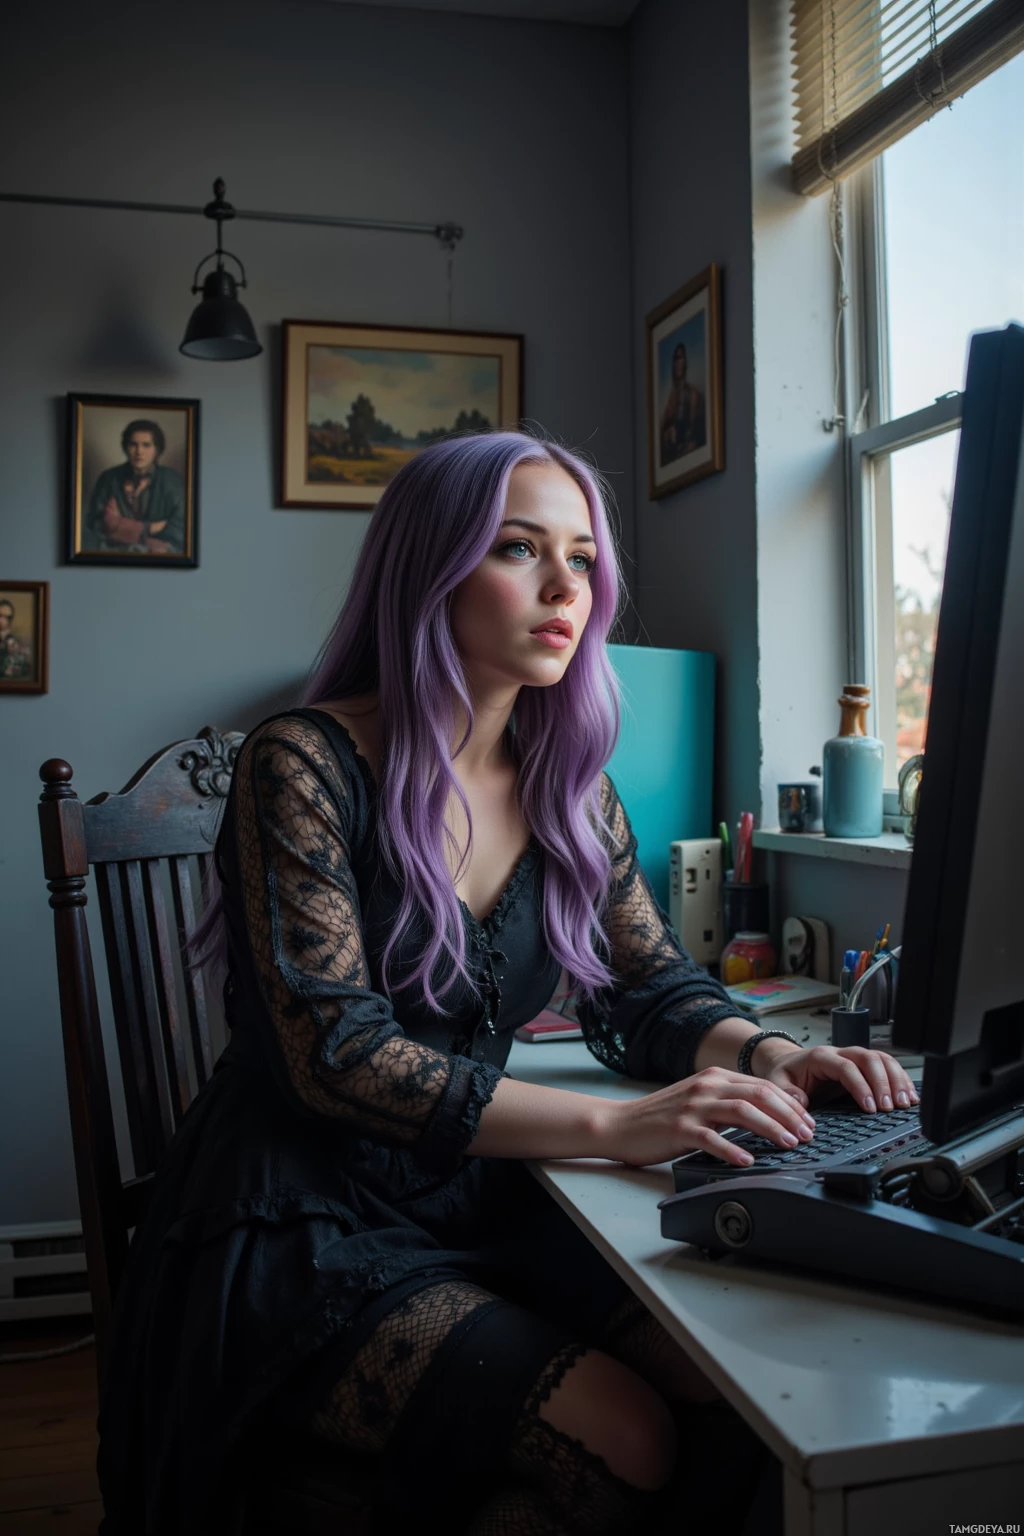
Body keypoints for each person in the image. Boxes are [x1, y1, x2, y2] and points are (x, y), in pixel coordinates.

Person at [96, 431, 918, 1536]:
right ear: (427, 567)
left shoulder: (571, 788)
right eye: (518, 548)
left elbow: (650, 992)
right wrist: (612, 1128)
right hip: (301, 1214)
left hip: (477, 1195)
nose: (561, 588)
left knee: (737, 1391)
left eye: (581, 560)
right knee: (626, 1433)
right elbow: (333, 1058)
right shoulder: (298, 760)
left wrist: (776, 1055)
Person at [85, 419, 186, 555]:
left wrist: (120, 528)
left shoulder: (172, 482)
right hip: (115, 557)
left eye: (146, 445)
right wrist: (147, 529)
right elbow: (96, 524)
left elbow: (181, 529)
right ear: (126, 447)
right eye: (133, 444)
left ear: (157, 449)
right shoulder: (109, 478)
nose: (139, 451)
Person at [660, 343, 706, 464]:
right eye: (675, 359)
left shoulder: (695, 396)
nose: (677, 363)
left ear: (685, 362)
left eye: (680, 358)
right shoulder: (671, 402)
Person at [0, 598, 31, 679]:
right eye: (1, 616)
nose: (3, 620)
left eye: (8, 617)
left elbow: (26, 667)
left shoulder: (17, 642)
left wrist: (18, 670)